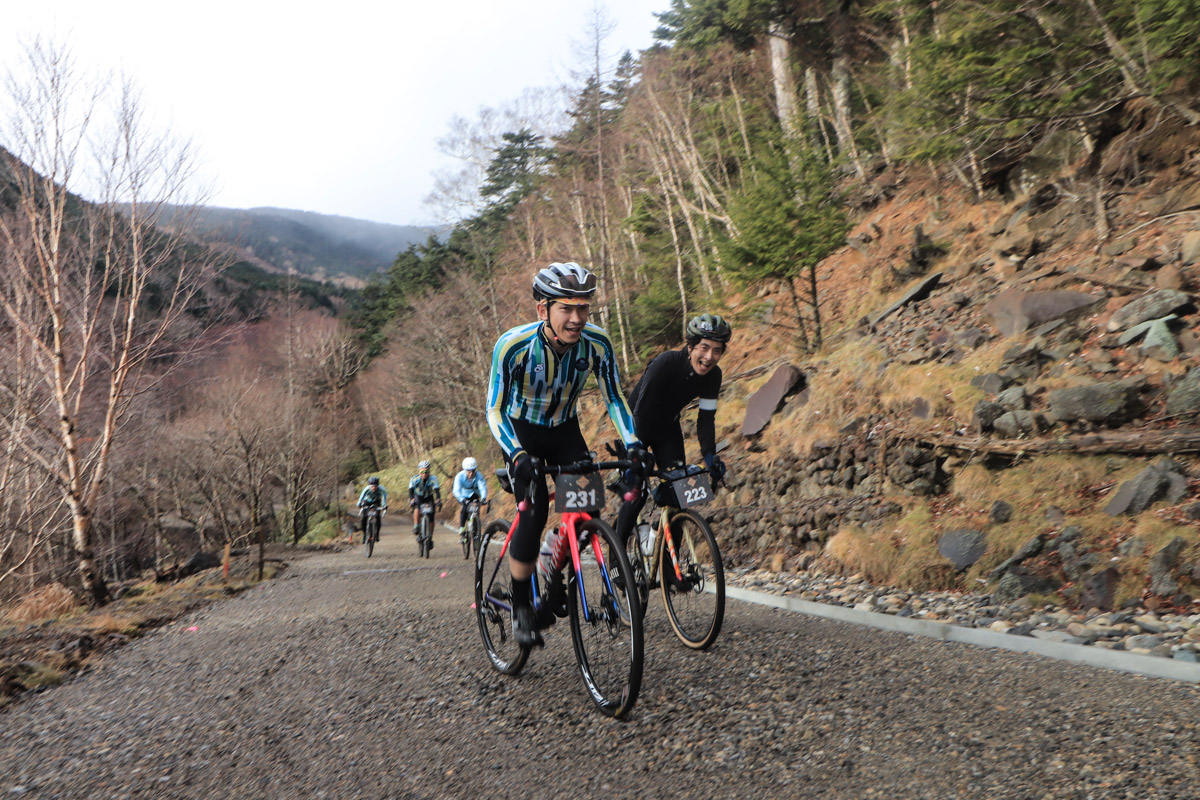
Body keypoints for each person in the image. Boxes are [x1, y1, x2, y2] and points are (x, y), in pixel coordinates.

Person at [486, 262, 649, 647]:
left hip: (564, 430)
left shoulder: (598, 343)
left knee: (588, 510)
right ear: (542, 310)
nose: (577, 318)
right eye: (566, 308)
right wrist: (517, 454)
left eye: (583, 308)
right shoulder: (512, 346)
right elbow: (493, 408)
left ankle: (553, 559)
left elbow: (614, 396)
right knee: (535, 510)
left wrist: (635, 443)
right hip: (521, 431)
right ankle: (523, 603)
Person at [615, 313, 732, 543]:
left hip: (668, 429)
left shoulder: (713, 376)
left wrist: (710, 455)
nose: (709, 357)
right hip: (636, 427)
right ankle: (617, 557)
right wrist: (635, 453)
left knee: (680, 494)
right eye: (704, 348)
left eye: (717, 351)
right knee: (636, 495)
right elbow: (640, 412)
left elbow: (706, 419)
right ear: (690, 346)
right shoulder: (665, 363)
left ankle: (670, 571)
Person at [408, 460, 442, 546]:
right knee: (417, 507)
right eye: (422, 472)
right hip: (418, 496)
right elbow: (411, 491)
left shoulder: (433, 479)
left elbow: (436, 491)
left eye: (426, 472)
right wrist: (412, 499)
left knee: (431, 518)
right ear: (419, 472)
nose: (424, 474)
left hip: (429, 497)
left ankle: (430, 537)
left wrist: (438, 500)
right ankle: (416, 526)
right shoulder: (414, 479)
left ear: (429, 471)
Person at [356, 476, 388, 541]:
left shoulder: (382, 489)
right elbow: (361, 497)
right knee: (364, 518)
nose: (373, 488)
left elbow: (384, 497)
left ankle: (377, 534)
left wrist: (384, 505)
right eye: (372, 486)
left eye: (375, 486)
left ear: (378, 485)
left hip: (376, 502)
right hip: (367, 501)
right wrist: (359, 504)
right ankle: (365, 534)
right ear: (369, 486)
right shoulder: (366, 489)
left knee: (377, 517)